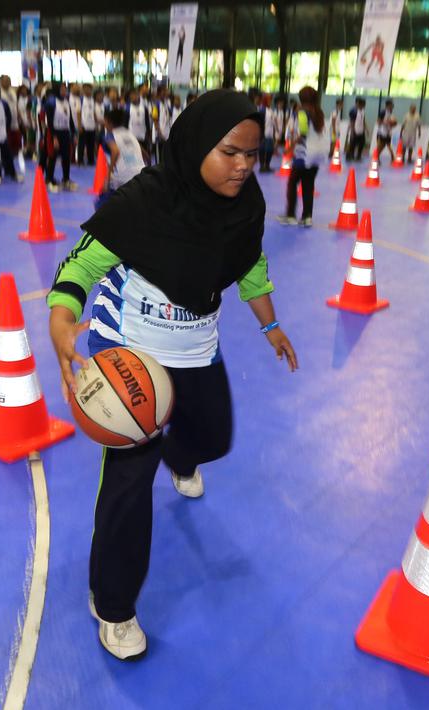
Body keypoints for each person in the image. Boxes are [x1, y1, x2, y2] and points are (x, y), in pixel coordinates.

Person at [46, 90, 297, 661]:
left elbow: (249, 262)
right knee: (128, 485)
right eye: (231, 152)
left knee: (213, 437)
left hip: (195, 348)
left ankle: (178, 453)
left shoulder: (244, 204)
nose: (243, 166)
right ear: (193, 145)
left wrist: (270, 326)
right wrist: (63, 321)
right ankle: (112, 604)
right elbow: (82, 263)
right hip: (132, 353)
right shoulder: (146, 201)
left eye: (253, 156)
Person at [280, 86, 330, 228]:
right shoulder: (319, 113)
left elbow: (302, 132)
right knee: (308, 186)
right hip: (317, 156)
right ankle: (307, 217)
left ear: (302, 98)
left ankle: (290, 215)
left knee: (292, 183)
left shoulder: (301, 112)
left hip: (304, 155)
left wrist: (290, 148)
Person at [95, 107, 145, 209]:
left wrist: (108, 177)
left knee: (100, 205)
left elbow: (115, 151)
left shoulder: (109, 135)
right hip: (141, 175)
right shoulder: (129, 133)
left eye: (104, 121)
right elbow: (144, 153)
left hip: (124, 179)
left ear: (108, 122)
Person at [43, 81, 76, 192]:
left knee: (66, 157)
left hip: (65, 133)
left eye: (65, 89)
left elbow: (70, 119)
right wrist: (54, 137)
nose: (64, 91)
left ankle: (66, 179)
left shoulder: (66, 101)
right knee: (52, 156)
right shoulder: (51, 102)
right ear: (57, 89)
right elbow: (50, 122)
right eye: (62, 89)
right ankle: (49, 180)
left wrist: (74, 134)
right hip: (54, 132)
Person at [263, 95, 289, 171]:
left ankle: (274, 149)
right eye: (279, 103)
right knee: (276, 139)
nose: (281, 104)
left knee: (278, 139)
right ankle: (274, 149)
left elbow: (286, 120)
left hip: (281, 127)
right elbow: (274, 121)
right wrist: (276, 127)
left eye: (282, 103)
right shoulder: (274, 111)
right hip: (275, 128)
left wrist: (284, 127)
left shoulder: (284, 112)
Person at [347, 97, 367, 161]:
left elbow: (363, 120)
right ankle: (350, 156)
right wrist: (352, 131)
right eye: (363, 104)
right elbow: (352, 122)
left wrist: (366, 128)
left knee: (362, 143)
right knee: (353, 144)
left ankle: (358, 156)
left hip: (361, 130)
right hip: (355, 130)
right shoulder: (353, 111)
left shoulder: (363, 111)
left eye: (364, 104)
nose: (364, 106)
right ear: (358, 104)